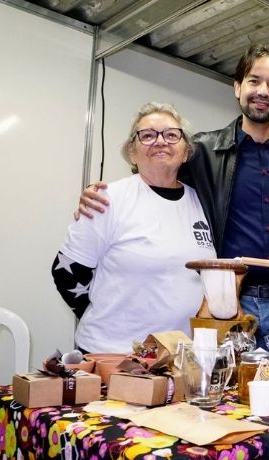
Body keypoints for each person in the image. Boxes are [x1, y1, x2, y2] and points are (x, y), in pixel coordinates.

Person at [76, 44, 269, 357]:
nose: (263, 91)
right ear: (237, 87)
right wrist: (99, 197)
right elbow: (157, 175)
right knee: (226, 398)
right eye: (254, 81)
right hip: (227, 304)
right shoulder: (204, 151)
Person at [52, 102, 215, 353]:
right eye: (148, 135)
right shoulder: (108, 200)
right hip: (113, 354)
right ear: (132, 152)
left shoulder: (203, 202)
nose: (161, 141)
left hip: (179, 356)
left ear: (186, 152)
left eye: (172, 135)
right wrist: (107, 317)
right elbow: (66, 273)